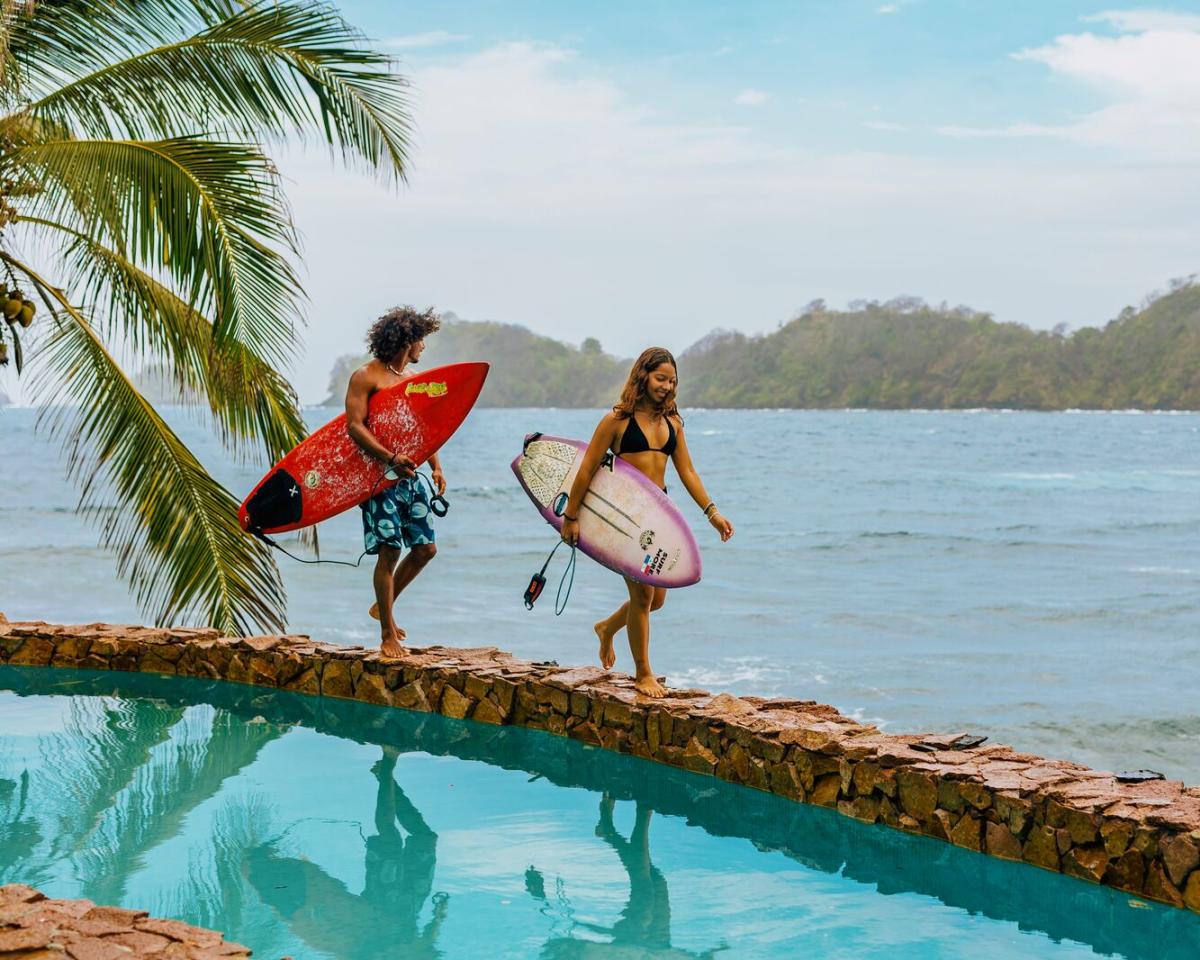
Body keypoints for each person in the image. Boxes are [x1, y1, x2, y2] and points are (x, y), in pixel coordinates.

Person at [560, 347, 733, 698]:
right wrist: (571, 516)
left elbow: (687, 472)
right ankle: (643, 673)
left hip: (660, 516)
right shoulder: (616, 422)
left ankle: (607, 628)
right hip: (625, 518)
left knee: (657, 601)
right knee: (642, 596)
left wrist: (712, 512)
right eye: (660, 378)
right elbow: (587, 469)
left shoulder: (673, 424)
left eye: (672, 381)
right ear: (643, 377)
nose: (667, 386)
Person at [345, 306, 447, 658]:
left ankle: (381, 607)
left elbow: (422, 428)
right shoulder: (366, 376)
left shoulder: (412, 381)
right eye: (421, 340)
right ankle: (388, 634)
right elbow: (354, 426)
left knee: (425, 549)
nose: (424, 347)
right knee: (390, 552)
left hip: (411, 476)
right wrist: (389, 458)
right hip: (379, 479)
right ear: (407, 339)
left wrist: (435, 466)